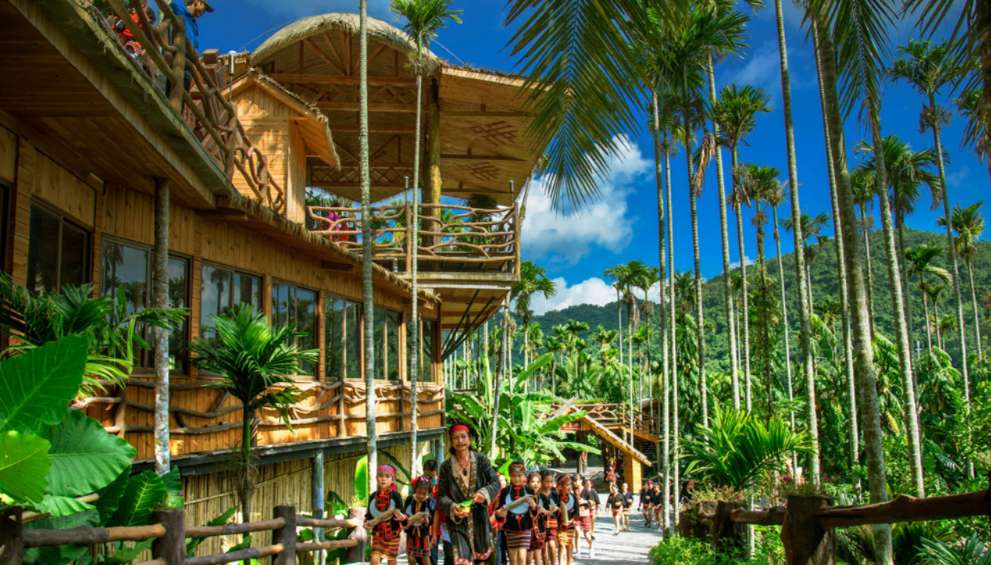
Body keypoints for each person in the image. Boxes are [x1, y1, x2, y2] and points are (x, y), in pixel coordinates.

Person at [437, 423, 502, 565]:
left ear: (469, 439)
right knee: (462, 561)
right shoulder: (446, 467)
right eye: (455, 438)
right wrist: (453, 507)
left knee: (484, 559)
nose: (460, 441)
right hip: (458, 523)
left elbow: (496, 483)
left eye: (463, 437)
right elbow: (441, 496)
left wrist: (484, 493)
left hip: (480, 520)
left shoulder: (481, 460)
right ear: (451, 442)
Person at [494, 462, 537, 565]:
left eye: (519, 476)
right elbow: (500, 511)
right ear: (510, 475)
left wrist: (533, 506)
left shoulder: (529, 490)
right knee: (513, 559)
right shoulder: (505, 491)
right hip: (510, 527)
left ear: (524, 475)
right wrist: (500, 514)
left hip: (525, 527)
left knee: (522, 557)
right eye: (514, 476)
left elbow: (535, 512)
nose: (517, 479)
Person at [367, 464, 407, 565]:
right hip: (377, 534)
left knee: (391, 559)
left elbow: (403, 515)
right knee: (374, 558)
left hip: (393, 534)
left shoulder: (396, 496)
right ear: (376, 478)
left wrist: (402, 518)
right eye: (380, 475)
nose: (383, 479)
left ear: (392, 479)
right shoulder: (372, 496)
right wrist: (366, 522)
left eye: (387, 476)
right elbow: (369, 515)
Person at [404, 477, 437, 565]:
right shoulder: (409, 499)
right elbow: (405, 515)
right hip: (411, 534)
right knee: (411, 557)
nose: (421, 496)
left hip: (423, 535)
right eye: (419, 492)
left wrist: (427, 521)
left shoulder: (430, 501)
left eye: (424, 494)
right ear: (415, 489)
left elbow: (432, 517)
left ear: (428, 493)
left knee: (425, 558)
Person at [555, 475, 577, 565]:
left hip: (570, 524)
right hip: (559, 525)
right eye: (567, 485)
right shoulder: (556, 497)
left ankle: (568, 563)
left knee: (569, 544)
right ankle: (560, 563)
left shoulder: (573, 497)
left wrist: (572, 519)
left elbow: (577, 511)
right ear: (560, 486)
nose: (569, 487)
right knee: (561, 544)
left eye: (570, 485)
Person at [537, 472, 559, 565]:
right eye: (546, 481)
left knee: (551, 544)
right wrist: (542, 510)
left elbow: (559, 506)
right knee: (543, 547)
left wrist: (556, 508)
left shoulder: (555, 494)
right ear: (541, 481)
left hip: (552, 521)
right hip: (540, 522)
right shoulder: (537, 494)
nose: (549, 484)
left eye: (551, 481)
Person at [423, 459, 441, 565]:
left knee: (432, 553)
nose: (428, 477)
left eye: (431, 474)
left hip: (434, 525)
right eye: (426, 473)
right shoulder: (418, 482)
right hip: (420, 526)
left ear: (435, 471)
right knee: (421, 555)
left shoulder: (439, 484)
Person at [526, 472, 546, 565]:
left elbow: (548, 511)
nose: (535, 484)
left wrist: (545, 511)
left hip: (540, 529)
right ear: (528, 483)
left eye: (538, 482)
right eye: (533, 482)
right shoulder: (525, 497)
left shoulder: (542, 496)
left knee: (538, 554)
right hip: (528, 528)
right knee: (528, 556)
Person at [575, 479, 596, 558]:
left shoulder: (586, 490)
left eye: (577, 480)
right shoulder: (573, 490)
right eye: (574, 481)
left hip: (585, 514)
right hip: (576, 515)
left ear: (581, 481)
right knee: (577, 531)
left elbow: (592, 502)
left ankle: (591, 548)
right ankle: (578, 552)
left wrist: (585, 501)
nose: (575, 482)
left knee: (586, 534)